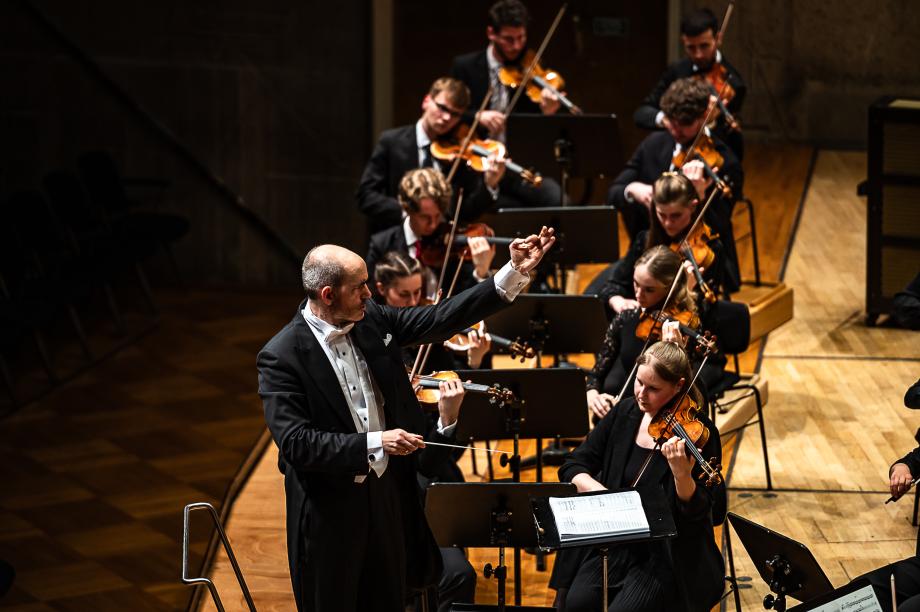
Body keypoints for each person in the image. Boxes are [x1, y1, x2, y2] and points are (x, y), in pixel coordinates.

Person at [257, 227, 555, 612]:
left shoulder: (371, 319)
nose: (369, 293)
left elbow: (439, 319)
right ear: (328, 295)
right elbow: (298, 443)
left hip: (386, 495)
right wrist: (377, 441)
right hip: (329, 512)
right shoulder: (281, 357)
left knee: (390, 599)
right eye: (359, 287)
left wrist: (510, 272)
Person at [551, 340, 726, 612]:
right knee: (575, 605)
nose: (642, 394)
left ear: (679, 386)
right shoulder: (625, 412)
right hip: (615, 544)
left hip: (665, 556)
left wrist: (683, 477)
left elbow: (710, 513)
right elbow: (574, 464)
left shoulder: (699, 433)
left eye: (653, 388)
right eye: (639, 382)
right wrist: (603, 496)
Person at [610, 77, 742, 287]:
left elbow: (719, 227)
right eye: (672, 121)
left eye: (686, 124)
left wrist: (699, 196)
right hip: (646, 254)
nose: (676, 130)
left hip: (697, 263)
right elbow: (614, 193)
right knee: (599, 296)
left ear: (703, 117)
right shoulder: (654, 143)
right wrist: (632, 188)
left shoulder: (724, 163)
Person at [449, 0, 566, 208]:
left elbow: (539, 130)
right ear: (491, 33)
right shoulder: (465, 67)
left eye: (521, 38)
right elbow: (450, 112)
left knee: (559, 200)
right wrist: (478, 116)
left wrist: (547, 112)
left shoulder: (531, 68)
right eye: (508, 39)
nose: (517, 46)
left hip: (518, 165)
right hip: (477, 163)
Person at [356, 77, 506, 233]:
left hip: (441, 245)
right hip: (396, 239)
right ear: (427, 101)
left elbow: (466, 212)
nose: (447, 118)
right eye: (442, 108)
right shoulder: (391, 142)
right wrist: (410, 213)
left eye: (455, 114)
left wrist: (489, 183)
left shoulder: (459, 155)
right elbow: (366, 196)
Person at [592, 170, 730, 317]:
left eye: (676, 215)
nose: (668, 223)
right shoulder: (644, 240)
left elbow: (706, 311)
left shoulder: (711, 249)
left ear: (693, 206)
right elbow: (614, 285)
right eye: (662, 215)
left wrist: (687, 291)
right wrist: (618, 301)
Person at [585, 246, 700, 418]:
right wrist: (592, 394)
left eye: (649, 289)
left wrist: (677, 350)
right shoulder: (626, 318)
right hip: (619, 413)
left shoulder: (682, 327)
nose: (638, 295)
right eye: (636, 284)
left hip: (659, 418)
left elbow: (686, 391)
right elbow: (596, 374)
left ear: (670, 288)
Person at [366, 168, 497, 301]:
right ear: (407, 209)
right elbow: (372, 300)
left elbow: (467, 299)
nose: (433, 224)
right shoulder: (382, 244)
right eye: (425, 217)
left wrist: (481, 271)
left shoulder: (452, 244)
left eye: (438, 216)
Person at [634, 7, 746, 161]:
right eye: (691, 48)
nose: (698, 54)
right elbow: (641, 113)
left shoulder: (733, 83)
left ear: (718, 38)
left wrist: (712, 122)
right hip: (671, 154)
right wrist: (667, 120)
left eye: (704, 46)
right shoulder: (676, 71)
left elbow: (732, 143)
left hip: (709, 158)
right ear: (683, 41)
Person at [374, 250, 492, 372]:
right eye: (404, 294)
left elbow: (450, 372)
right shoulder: (375, 330)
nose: (413, 302)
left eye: (417, 292)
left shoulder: (429, 319)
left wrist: (474, 361)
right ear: (382, 288)